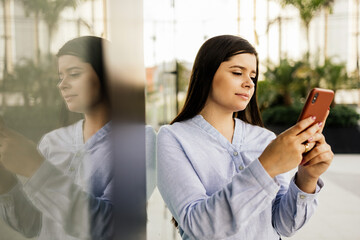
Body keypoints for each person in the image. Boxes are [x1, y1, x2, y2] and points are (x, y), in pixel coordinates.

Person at [157, 35, 334, 240]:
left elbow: (284, 225)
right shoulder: (173, 138)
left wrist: (307, 178)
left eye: (253, 76)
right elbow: (200, 228)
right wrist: (266, 166)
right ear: (207, 73)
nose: (249, 83)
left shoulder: (264, 138)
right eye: (237, 72)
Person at [0, 36, 114, 239]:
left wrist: (34, 167)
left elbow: (109, 226)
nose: (62, 85)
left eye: (74, 74)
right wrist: (5, 179)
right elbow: (33, 225)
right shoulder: (51, 142)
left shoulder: (140, 141)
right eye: (60, 76)